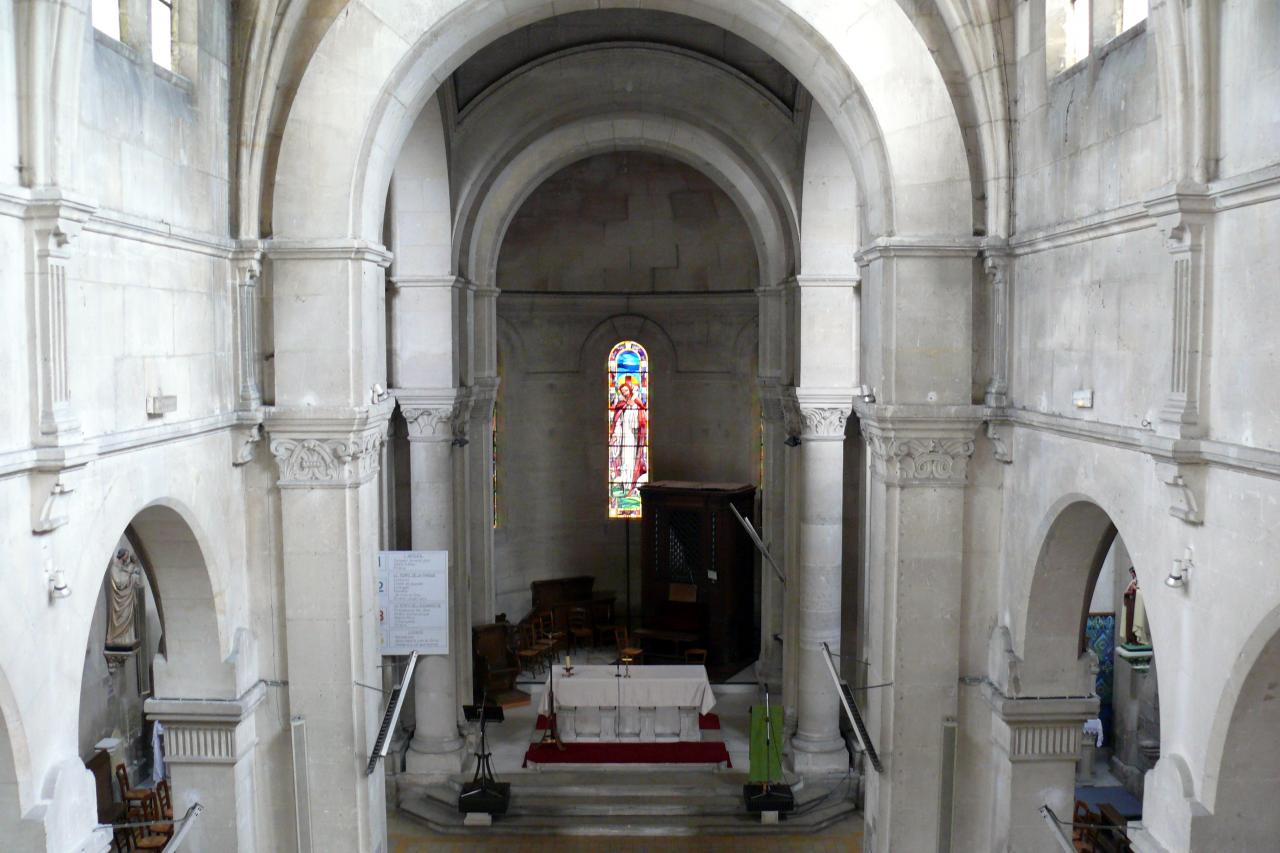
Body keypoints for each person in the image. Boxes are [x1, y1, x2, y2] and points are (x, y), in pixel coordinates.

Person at [609, 377, 648, 501]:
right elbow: (617, 422)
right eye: (622, 391)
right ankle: (626, 487)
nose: (624, 393)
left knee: (631, 460)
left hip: (632, 437)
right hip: (623, 436)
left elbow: (640, 422)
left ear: (630, 390)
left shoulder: (636, 403)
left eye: (626, 390)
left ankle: (632, 486)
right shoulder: (621, 405)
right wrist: (615, 435)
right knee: (624, 461)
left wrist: (634, 408)